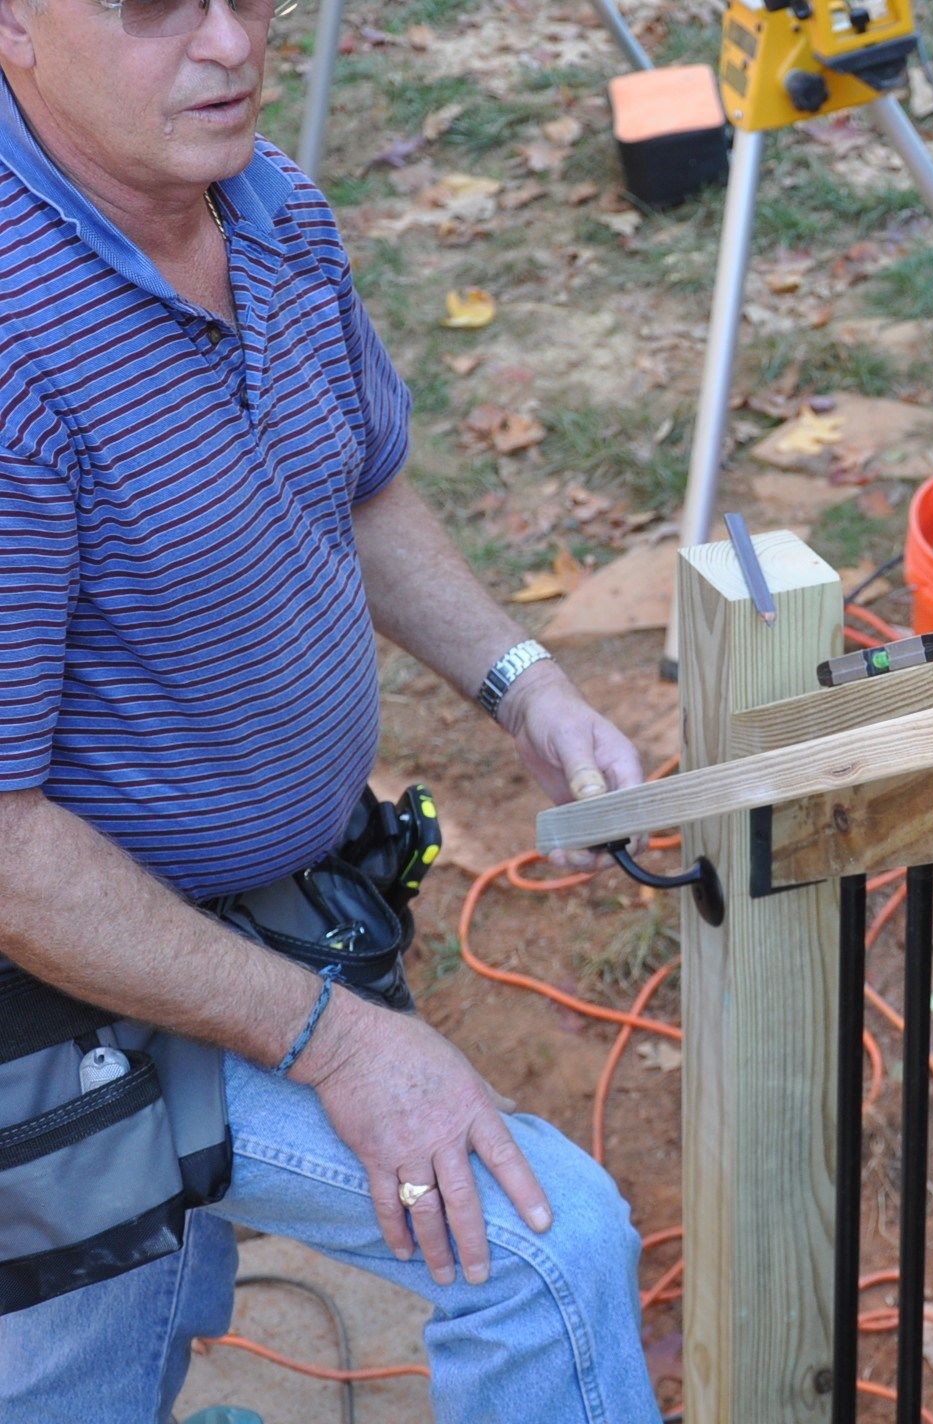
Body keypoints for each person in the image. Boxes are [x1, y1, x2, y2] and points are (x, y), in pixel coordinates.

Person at [0, 0, 665, 1417]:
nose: (234, 45)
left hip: (260, 924)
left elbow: (352, 480)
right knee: (548, 1256)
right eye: (155, 9)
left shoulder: (270, 209)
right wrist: (346, 1044)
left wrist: (521, 682)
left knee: (115, 1334)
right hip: (55, 1003)